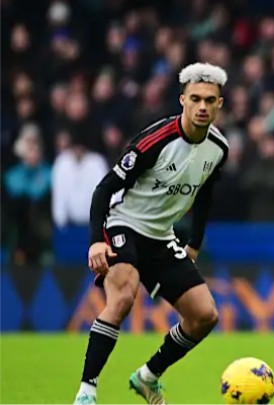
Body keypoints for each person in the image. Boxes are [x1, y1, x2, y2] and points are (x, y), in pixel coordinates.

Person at [74, 63, 229, 405]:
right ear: (182, 101)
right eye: (195, 99)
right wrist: (96, 240)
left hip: (161, 236)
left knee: (205, 316)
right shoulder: (156, 140)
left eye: (210, 100)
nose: (202, 106)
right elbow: (105, 188)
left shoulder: (219, 149)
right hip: (124, 224)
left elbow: (204, 193)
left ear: (219, 105)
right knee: (123, 298)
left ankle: (147, 377)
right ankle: (86, 392)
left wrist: (194, 244)